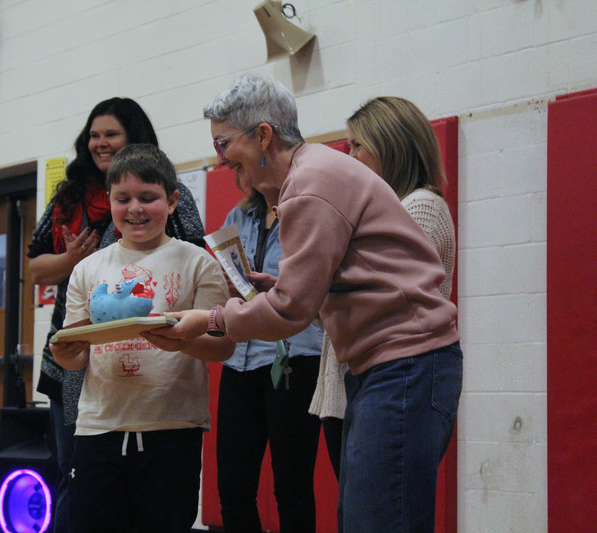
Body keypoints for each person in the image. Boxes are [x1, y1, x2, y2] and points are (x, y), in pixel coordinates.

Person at [147, 74, 463, 533]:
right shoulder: (312, 174)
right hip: (392, 367)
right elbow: (345, 287)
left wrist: (212, 318)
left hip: (405, 366)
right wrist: (280, 286)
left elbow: (288, 312)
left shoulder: (309, 184)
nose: (220, 159)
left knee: (378, 521)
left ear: (263, 135)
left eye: (224, 143)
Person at [26, 97, 205, 532]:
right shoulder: (69, 197)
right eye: (94, 135)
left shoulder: (172, 200)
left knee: (152, 490)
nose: (100, 143)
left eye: (111, 134)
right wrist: (72, 260)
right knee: (77, 469)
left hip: (156, 357)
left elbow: (193, 253)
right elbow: (35, 268)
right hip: (80, 345)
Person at [48, 144, 235, 532]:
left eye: (148, 197)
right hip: (98, 429)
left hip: (173, 429)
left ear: (172, 201)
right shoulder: (87, 269)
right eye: (123, 199)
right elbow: (78, 355)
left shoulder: (198, 262)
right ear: (109, 200)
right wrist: (65, 353)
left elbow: (223, 346)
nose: (135, 208)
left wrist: (180, 340)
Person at [310, 96, 458, 479]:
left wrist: (313, 277)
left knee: (387, 507)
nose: (349, 157)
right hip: (348, 389)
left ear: (390, 145)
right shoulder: (372, 213)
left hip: (394, 383)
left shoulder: (420, 206)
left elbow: (380, 299)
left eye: (357, 145)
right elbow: (332, 312)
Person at [215, 181, 323, 532]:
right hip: (240, 359)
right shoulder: (238, 215)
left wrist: (275, 284)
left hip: (294, 358)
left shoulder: (306, 211)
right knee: (232, 487)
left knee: (292, 486)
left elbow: (316, 286)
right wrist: (225, 286)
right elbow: (225, 290)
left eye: (241, 162)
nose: (239, 171)